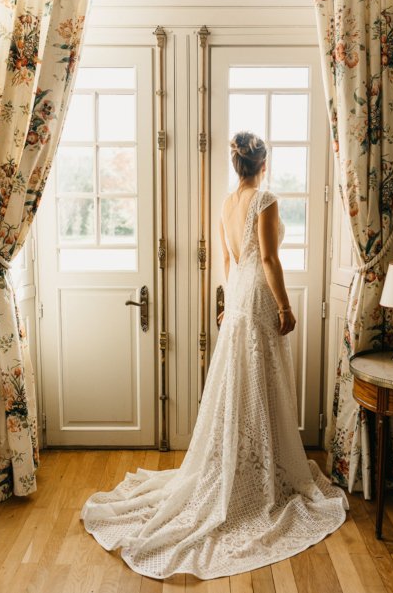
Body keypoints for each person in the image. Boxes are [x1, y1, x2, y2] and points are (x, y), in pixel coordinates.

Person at [81, 131, 349, 580]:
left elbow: (229, 260)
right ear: (262, 163)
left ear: (236, 164)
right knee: (259, 381)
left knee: (239, 384)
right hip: (259, 298)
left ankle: (246, 461)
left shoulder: (226, 203)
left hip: (240, 297)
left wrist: (231, 303)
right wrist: (284, 305)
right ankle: (258, 471)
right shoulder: (264, 199)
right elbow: (268, 259)